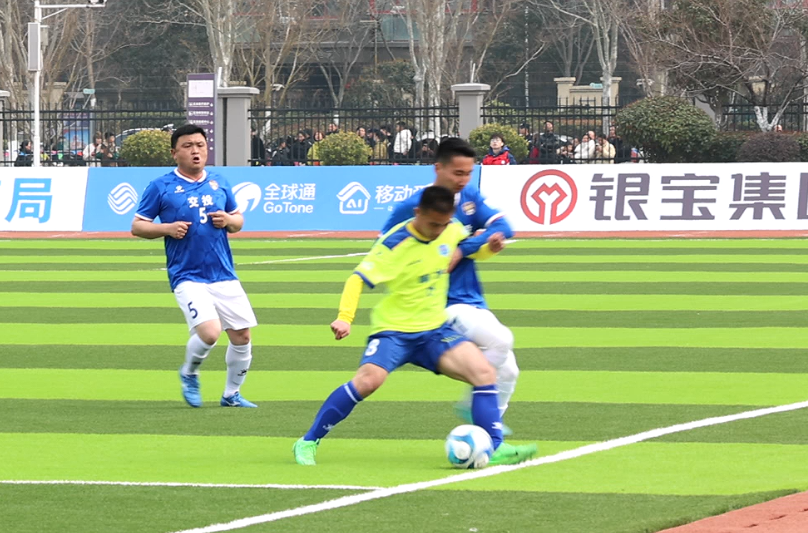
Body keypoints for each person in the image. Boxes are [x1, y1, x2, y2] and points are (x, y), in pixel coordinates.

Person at [292, 185, 537, 467]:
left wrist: (488, 250)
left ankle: (495, 446)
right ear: (418, 212)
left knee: (484, 372)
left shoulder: (451, 229)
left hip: (434, 331)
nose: (438, 231)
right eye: (433, 224)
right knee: (367, 382)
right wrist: (344, 317)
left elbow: (466, 253)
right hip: (394, 332)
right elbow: (357, 279)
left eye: (443, 224)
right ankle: (308, 440)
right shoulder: (394, 244)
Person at [382, 137, 520, 434]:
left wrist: (464, 248)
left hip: (472, 298)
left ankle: (487, 435)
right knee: (501, 341)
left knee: (509, 371)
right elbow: (383, 249)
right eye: (458, 173)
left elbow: (505, 227)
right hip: (441, 302)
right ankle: (476, 405)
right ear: (438, 169)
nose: (463, 180)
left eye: (468, 173)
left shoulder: (469, 197)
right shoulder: (413, 207)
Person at [131, 124, 258, 409]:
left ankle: (231, 395)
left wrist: (229, 220)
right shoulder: (161, 186)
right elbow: (137, 226)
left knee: (242, 336)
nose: (195, 151)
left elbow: (238, 221)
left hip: (223, 273)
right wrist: (167, 228)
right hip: (187, 274)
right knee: (210, 333)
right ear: (174, 153)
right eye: (187, 146)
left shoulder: (219, 182)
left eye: (200, 145)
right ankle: (189, 373)